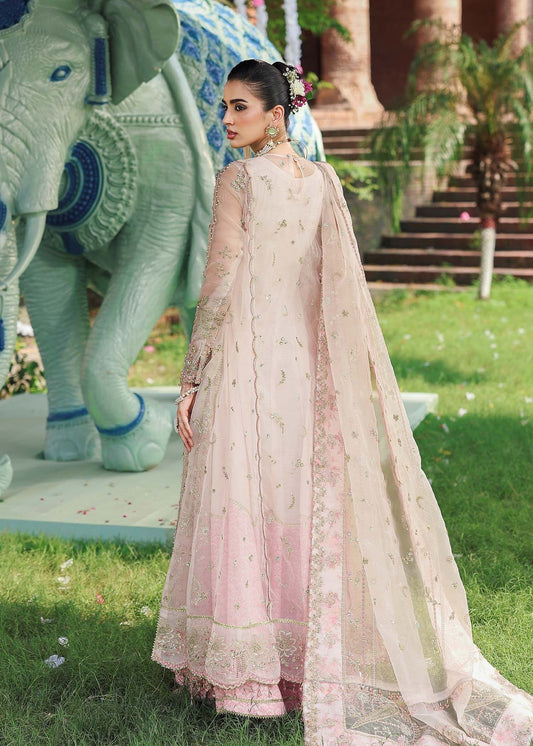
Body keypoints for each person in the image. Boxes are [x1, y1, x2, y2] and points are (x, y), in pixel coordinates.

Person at [152, 59, 533, 745]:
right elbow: (336, 282)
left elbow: (218, 282)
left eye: (240, 107)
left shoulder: (237, 180)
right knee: (297, 501)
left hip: (245, 363)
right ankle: (301, 661)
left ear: (276, 114)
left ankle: (250, 675)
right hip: (304, 366)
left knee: (245, 499)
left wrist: (192, 376)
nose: (227, 119)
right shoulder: (323, 180)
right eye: (224, 107)